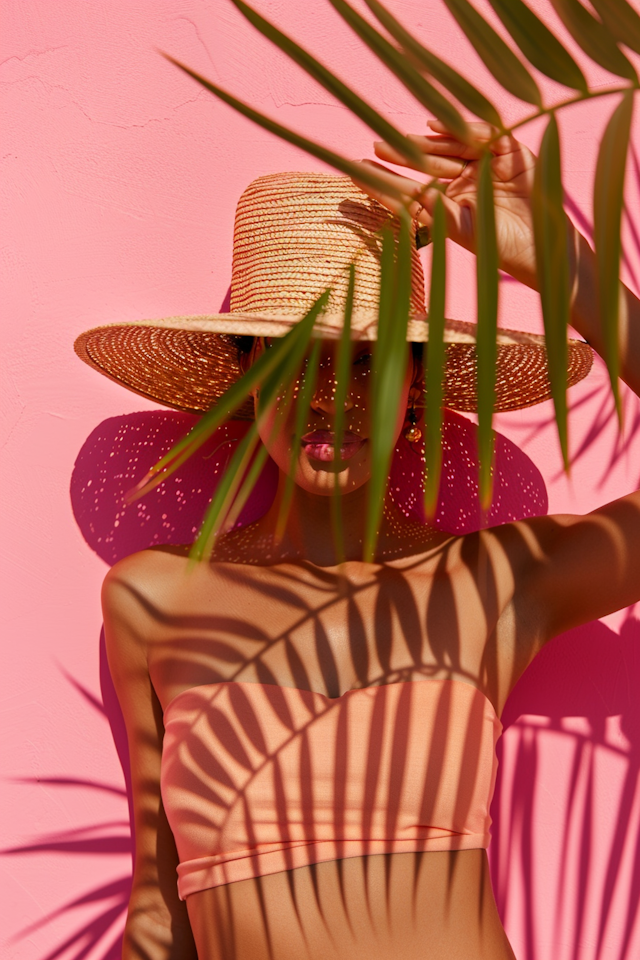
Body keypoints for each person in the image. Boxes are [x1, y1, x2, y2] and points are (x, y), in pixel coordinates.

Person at [74, 123, 640, 960]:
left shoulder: (495, 581)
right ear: (245, 376)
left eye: (369, 359)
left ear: (417, 386)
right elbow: (158, 918)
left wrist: (555, 268)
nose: (329, 395)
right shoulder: (152, 598)